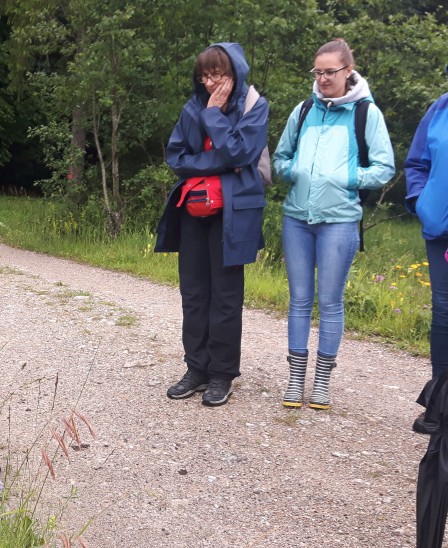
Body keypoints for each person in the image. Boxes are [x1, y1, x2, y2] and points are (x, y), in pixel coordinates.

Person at [273, 39, 395, 410]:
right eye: (318, 71)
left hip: (339, 222)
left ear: (347, 72)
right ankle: (296, 378)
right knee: (298, 301)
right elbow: (280, 159)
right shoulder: (304, 108)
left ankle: (322, 382)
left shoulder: (365, 113)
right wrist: (297, 171)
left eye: (330, 71)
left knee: (330, 302)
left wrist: (344, 177)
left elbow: (385, 168)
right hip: (297, 217)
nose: (323, 78)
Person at [155, 42, 269, 407]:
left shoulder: (255, 106)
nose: (209, 82)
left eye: (217, 74)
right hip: (193, 210)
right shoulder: (191, 107)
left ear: (234, 72)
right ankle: (197, 368)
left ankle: (222, 374)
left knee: (225, 296)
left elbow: (241, 152)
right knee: (193, 293)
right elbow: (176, 158)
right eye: (204, 75)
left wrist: (215, 116)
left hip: (233, 213)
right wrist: (221, 164)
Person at [405, 91, 448, 434]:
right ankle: (440, 403)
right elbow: (417, 163)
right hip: (441, 228)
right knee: (444, 312)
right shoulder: (440, 107)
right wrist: (423, 202)